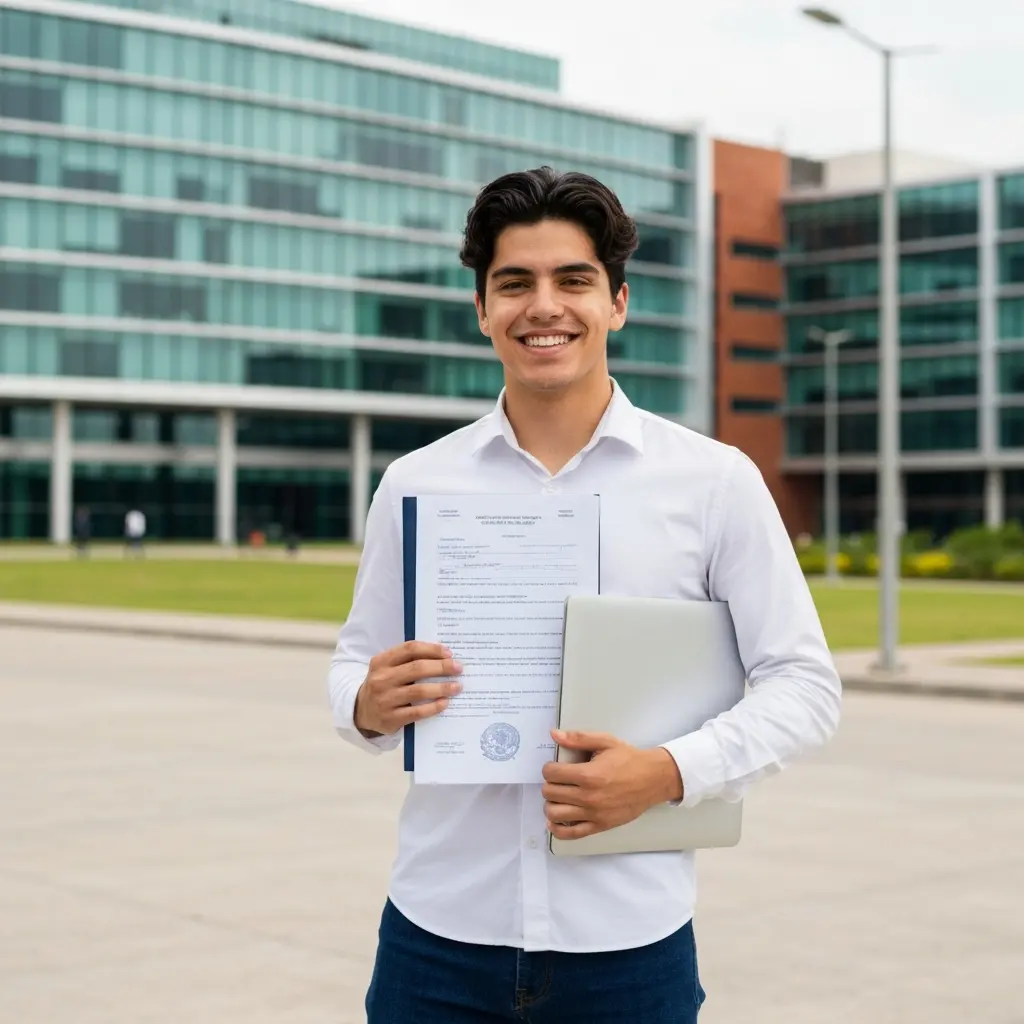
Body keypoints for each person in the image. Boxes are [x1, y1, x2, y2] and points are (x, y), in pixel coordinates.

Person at [327, 166, 842, 1023]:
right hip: (436, 941)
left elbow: (807, 686)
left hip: (628, 948)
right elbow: (352, 666)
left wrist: (668, 772)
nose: (544, 306)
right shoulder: (416, 484)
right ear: (482, 309)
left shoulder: (713, 482)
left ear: (619, 303)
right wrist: (369, 704)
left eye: (574, 280)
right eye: (514, 283)